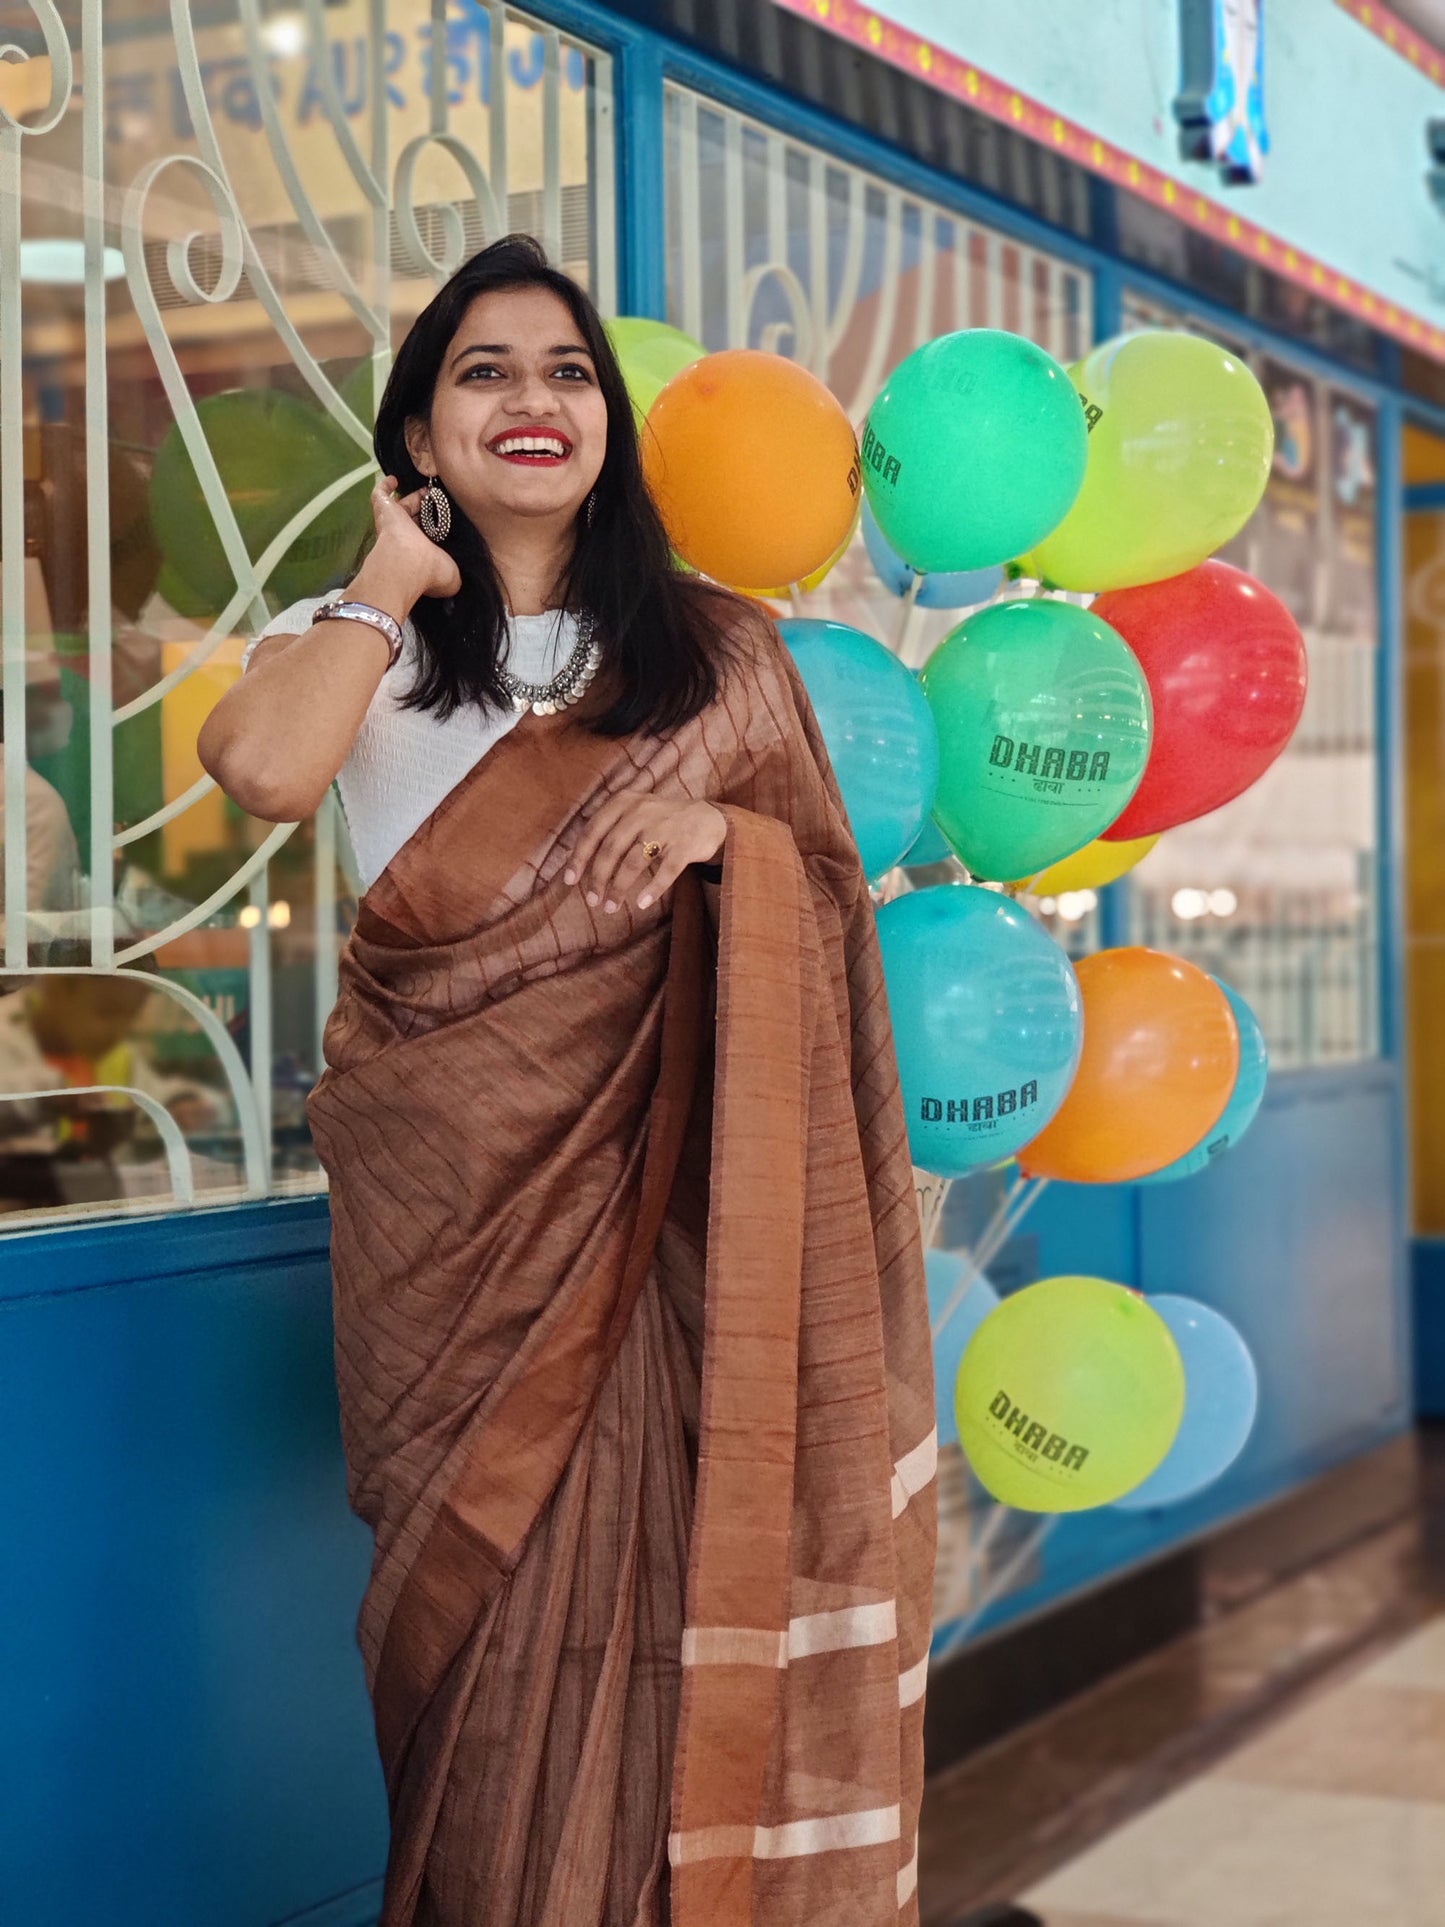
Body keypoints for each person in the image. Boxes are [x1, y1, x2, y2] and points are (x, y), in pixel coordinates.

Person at [199, 234, 935, 1927]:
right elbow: (253, 771)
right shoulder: (363, 649)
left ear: (606, 420)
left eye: (565, 371)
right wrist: (385, 584)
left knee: (674, 1636)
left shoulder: (719, 659)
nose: (530, 400)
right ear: (423, 430)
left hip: (675, 1273)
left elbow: (822, 905)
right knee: (484, 1666)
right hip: (448, 1260)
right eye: (481, 372)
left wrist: (728, 841)